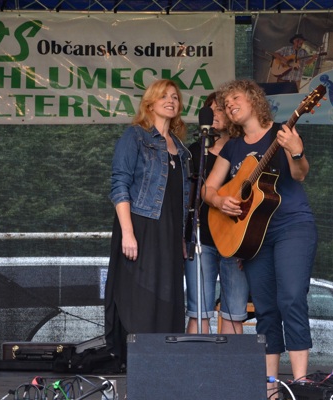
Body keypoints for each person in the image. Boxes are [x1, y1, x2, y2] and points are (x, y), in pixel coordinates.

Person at [203, 80, 318, 395]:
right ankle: (270, 389)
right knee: (265, 308)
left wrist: (296, 151)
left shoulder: (282, 132)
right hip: (253, 237)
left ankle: (299, 384)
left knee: (291, 298)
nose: (230, 105)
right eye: (226, 104)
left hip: (291, 225)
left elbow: (300, 174)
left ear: (254, 99)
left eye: (235, 98)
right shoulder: (232, 147)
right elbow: (208, 189)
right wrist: (219, 201)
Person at [104, 79, 191, 370]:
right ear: (150, 103)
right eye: (163, 96)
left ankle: (163, 364)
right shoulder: (135, 136)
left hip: (170, 233)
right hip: (142, 226)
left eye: (175, 97)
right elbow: (120, 184)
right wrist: (127, 233)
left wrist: (182, 236)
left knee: (168, 295)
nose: (171, 101)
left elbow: (180, 198)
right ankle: (140, 363)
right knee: (141, 295)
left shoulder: (181, 148)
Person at [185, 92, 250, 334]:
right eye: (210, 110)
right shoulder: (194, 152)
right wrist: (184, 236)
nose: (214, 114)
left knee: (234, 314)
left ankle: (231, 361)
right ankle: (197, 359)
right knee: (198, 312)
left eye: (220, 109)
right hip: (201, 239)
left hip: (236, 241)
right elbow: (186, 198)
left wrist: (249, 245)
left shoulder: (244, 151)